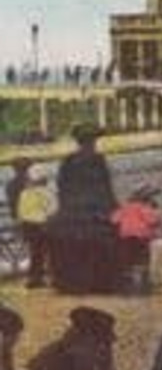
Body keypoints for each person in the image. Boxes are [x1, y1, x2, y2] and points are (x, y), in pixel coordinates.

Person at [50, 123, 119, 293]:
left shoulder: (68, 160)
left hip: (71, 211)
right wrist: (112, 207)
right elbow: (105, 187)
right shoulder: (98, 159)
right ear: (92, 141)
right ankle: (101, 282)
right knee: (104, 242)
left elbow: (62, 187)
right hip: (95, 211)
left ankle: (72, 282)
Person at [110, 184, 162, 293]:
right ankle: (143, 286)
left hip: (125, 239)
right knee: (143, 262)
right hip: (141, 238)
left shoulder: (125, 207)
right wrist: (155, 212)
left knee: (128, 263)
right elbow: (153, 221)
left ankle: (128, 286)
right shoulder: (144, 208)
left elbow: (114, 219)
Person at [16, 164, 55, 289]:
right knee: (50, 253)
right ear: (44, 180)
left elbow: (21, 212)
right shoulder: (47, 193)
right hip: (44, 226)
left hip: (29, 226)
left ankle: (34, 278)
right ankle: (53, 277)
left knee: (35, 253)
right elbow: (53, 210)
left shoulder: (24, 193)